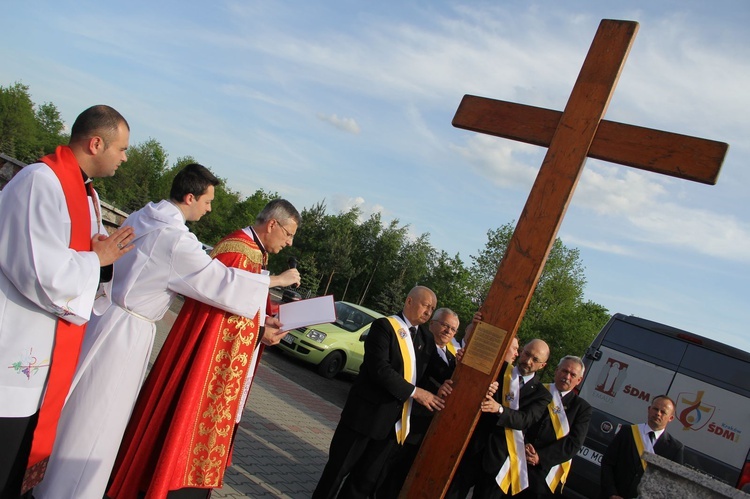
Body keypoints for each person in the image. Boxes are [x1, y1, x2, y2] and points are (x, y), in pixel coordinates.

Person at [35, 166, 299, 499]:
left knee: (79, 407)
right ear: (190, 197)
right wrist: (275, 281)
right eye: (207, 201)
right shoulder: (176, 240)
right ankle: (69, 492)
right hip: (130, 331)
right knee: (100, 422)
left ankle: (47, 481)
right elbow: (219, 282)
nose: (210, 209)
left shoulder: (143, 216)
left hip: (106, 318)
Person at [105, 199, 301, 498]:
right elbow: (218, 316)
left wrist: (269, 319)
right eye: (288, 234)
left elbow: (243, 307)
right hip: (206, 363)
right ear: (273, 224)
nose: (289, 243)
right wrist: (260, 331)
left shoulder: (252, 254)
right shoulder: (237, 251)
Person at [0, 105, 135, 497]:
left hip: (48, 354)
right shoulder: (40, 182)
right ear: (96, 143)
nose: (124, 158)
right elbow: (41, 272)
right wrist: (98, 259)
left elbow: (88, 263)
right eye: (122, 148)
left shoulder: (87, 195)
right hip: (18, 345)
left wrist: (100, 262)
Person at [312, 286, 445, 499]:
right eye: (426, 305)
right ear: (409, 301)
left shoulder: (426, 339)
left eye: (433, 308)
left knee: (363, 481)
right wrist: (416, 392)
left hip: (391, 427)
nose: (429, 312)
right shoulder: (384, 326)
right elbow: (380, 370)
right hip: (363, 417)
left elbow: (442, 369)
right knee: (336, 472)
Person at [446, 339, 552, 499]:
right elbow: (470, 381)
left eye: (535, 359)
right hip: (472, 447)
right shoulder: (499, 369)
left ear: (542, 365)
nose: (528, 361)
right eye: (527, 354)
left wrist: (499, 409)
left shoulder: (542, 395)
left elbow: (525, 419)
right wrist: (460, 361)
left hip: (500, 459)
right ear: (522, 351)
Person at [376, 307, 460, 498]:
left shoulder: (452, 358)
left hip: (424, 427)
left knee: (399, 476)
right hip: (403, 419)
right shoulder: (417, 345)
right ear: (432, 324)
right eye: (445, 325)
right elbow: (413, 377)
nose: (448, 331)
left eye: (453, 329)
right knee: (382, 471)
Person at [517, 356, 592, 498]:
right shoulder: (536, 389)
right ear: (556, 371)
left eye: (572, 375)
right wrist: (524, 445)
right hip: (518, 459)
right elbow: (519, 417)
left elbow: (573, 443)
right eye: (564, 371)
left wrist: (540, 457)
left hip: (544, 474)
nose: (567, 377)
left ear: (579, 380)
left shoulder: (582, 408)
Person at [599, 395, 684, 499]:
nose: (658, 413)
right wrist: (611, 493)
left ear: (670, 418)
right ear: (649, 409)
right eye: (655, 409)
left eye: (663, 412)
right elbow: (607, 463)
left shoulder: (675, 448)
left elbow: (672, 485)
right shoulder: (628, 432)